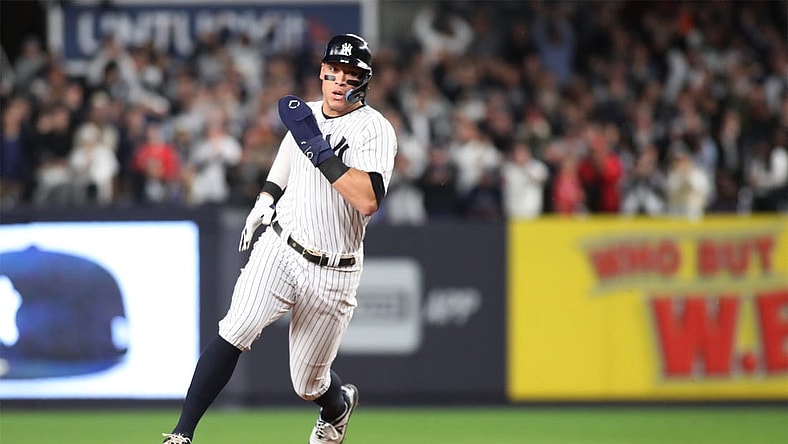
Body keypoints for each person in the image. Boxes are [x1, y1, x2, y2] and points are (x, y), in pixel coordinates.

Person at [161, 33, 397, 444]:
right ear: (322, 73)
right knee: (235, 328)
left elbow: (367, 200)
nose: (339, 81)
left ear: (364, 80)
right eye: (333, 72)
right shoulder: (306, 116)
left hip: (334, 270)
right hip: (282, 245)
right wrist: (266, 197)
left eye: (350, 74)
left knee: (308, 382)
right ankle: (182, 434)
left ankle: (337, 406)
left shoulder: (374, 130)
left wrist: (321, 152)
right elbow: (289, 155)